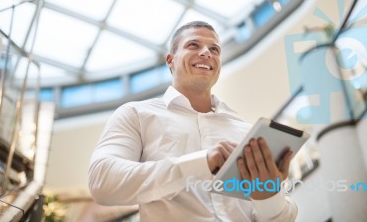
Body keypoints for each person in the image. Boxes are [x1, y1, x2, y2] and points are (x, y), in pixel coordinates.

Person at [88, 21, 298, 221]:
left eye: (214, 49)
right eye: (193, 45)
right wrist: (201, 163)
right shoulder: (136, 114)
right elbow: (102, 180)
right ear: (170, 60)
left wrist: (268, 197)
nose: (207, 53)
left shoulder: (246, 132)